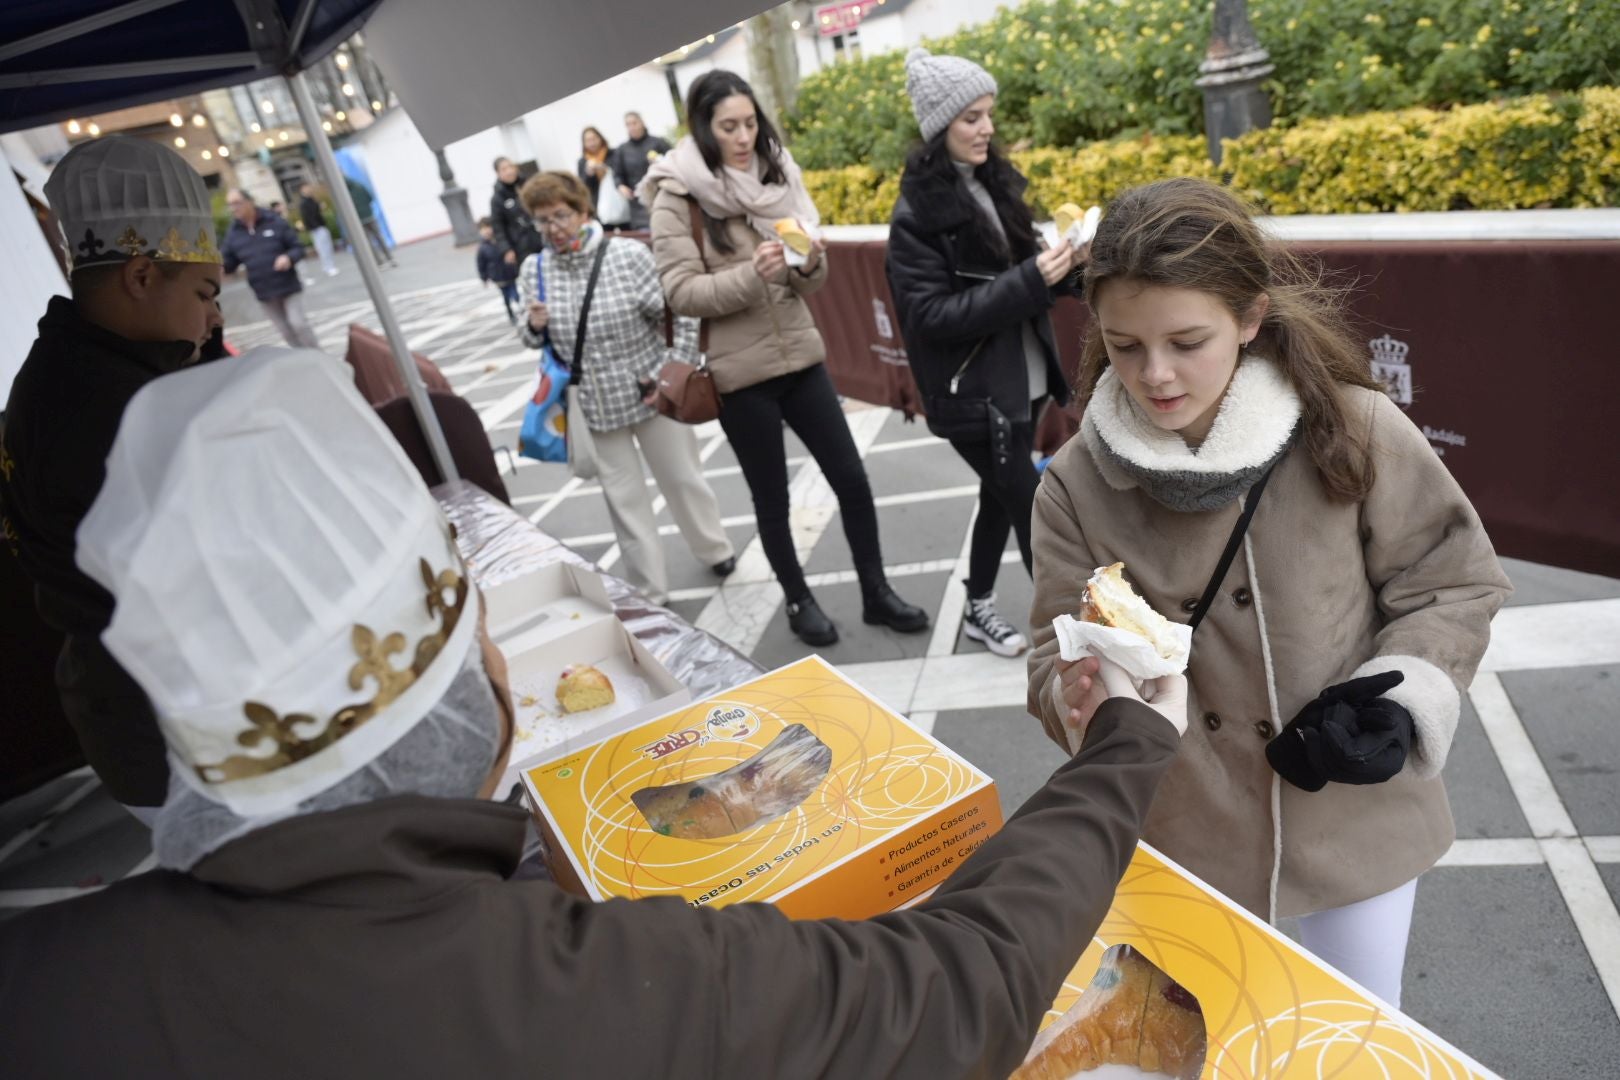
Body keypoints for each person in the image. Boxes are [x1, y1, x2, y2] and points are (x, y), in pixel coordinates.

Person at [0, 347, 1189, 1077]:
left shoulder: (41, 987)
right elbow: (960, 981)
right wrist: (1130, 735)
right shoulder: (604, 989)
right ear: (460, 685)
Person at [1027, 177, 1513, 1008]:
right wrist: (1076, 696)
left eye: (1187, 341)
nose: (1156, 374)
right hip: (1185, 829)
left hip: (1353, 821)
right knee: (1205, 1042)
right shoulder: (1075, 484)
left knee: (1352, 1036)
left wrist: (1396, 700)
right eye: (1125, 345)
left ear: (1250, 318)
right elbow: (1049, 653)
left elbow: (1451, 579)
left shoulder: (1348, 427)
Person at [643, 70, 929, 647]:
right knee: (771, 499)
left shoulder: (776, 177)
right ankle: (799, 601)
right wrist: (753, 275)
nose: (744, 137)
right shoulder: (677, 195)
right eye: (729, 127)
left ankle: (877, 592)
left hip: (801, 357)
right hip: (739, 375)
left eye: (750, 123)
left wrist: (806, 264)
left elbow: (808, 279)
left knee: (851, 477)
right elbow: (681, 292)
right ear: (704, 129)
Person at [0, 135, 224, 814]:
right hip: (173, 722)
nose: (216, 316)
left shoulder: (64, 373)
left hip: (126, 701)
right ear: (142, 276)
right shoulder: (116, 409)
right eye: (206, 291)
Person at [887, 49, 1082, 660]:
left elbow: (1027, 276)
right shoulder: (917, 215)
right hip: (970, 393)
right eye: (971, 117)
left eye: (989, 113)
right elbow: (929, 318)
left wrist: (1070, 266)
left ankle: (976, 605)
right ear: (939, 126)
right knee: (1034, 511)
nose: (987, 128)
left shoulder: (995, 184)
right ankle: (1071, 645)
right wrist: (1031, 278)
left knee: (1000, 495)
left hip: (1016, 378)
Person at [516, 171, 735, 603]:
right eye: (541, 221)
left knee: (683, 478)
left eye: (560, 216)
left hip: (651, 390)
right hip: (595, 405)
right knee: (624, 502)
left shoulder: (627, 256)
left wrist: (678, 367)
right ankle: (652, 589)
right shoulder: (534, 269)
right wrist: (532, 325)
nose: (552, 228)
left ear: (583, 211)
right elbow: (530, 337)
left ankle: (715, 548)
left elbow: (677, 316)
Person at [221, 189, 319, 349]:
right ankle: (302, 360)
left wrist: (288, 258)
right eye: (230, 205)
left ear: (249, 201)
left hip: (288, 285)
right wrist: (219, 268)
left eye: (237, 203)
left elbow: (297, 247)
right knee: (285, 331)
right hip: (264, 292)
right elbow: (228, 262)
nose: (233, 208)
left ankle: (318, 356)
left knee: (298, 324)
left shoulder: (274, 221)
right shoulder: (233, 233)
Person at [609, 111, 671, 231]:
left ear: (642, 123)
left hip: (662, 197)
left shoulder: (658, 142)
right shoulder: (622, 150)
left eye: (634, 123)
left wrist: (659, 160)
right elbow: (617, 175)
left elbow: (673, 162)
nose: (632, 127)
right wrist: (620, 186)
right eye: (628, 125)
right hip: (638, 207)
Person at [490, 155, 543, 265]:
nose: (509, 171)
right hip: (521, 246)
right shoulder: (497, 198)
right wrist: (506, 249)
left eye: (510, 167)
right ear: (498, 173)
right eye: (504, 169)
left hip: (541, 236)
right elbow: (498, 226)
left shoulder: (528, 185)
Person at [344, 175, 397, 268]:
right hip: (370, 216)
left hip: (359, 220)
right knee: (379, 238)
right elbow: (370, 198)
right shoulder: (359, 186)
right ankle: (390, 258)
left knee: (368, 242)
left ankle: (380, 262)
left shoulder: (345, 193)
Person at [476, 216, 520, 323]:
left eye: (488, 227)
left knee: (515, 294)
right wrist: (484, 278)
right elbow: (481, 264)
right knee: (506, 296)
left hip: (510, 273)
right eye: (483, 229)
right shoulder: (482, 248)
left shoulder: (501, 241)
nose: (486, 230)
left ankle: (522, 311)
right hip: (498, 277)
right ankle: (511, 314)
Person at [297, 182, 340, 277]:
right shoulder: (304, 203)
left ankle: (329, 266)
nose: (309, 189)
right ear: (302, 190)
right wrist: (315, 226)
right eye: (306, 187)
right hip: (316, 228)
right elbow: (308, 216)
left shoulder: (311, 199)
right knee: (323, 248)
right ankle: (328, 267)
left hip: (319, 226)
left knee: (326, 247)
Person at [577, 126, 612, 209]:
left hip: (616, 200)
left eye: (594, 139)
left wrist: (606, 169)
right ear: (584, 143)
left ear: (600, 138)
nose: (592, 143)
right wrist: (589, 173)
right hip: (597, 204)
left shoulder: (612, 154)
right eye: (588, 140)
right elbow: (583, 188)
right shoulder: (582, 162)